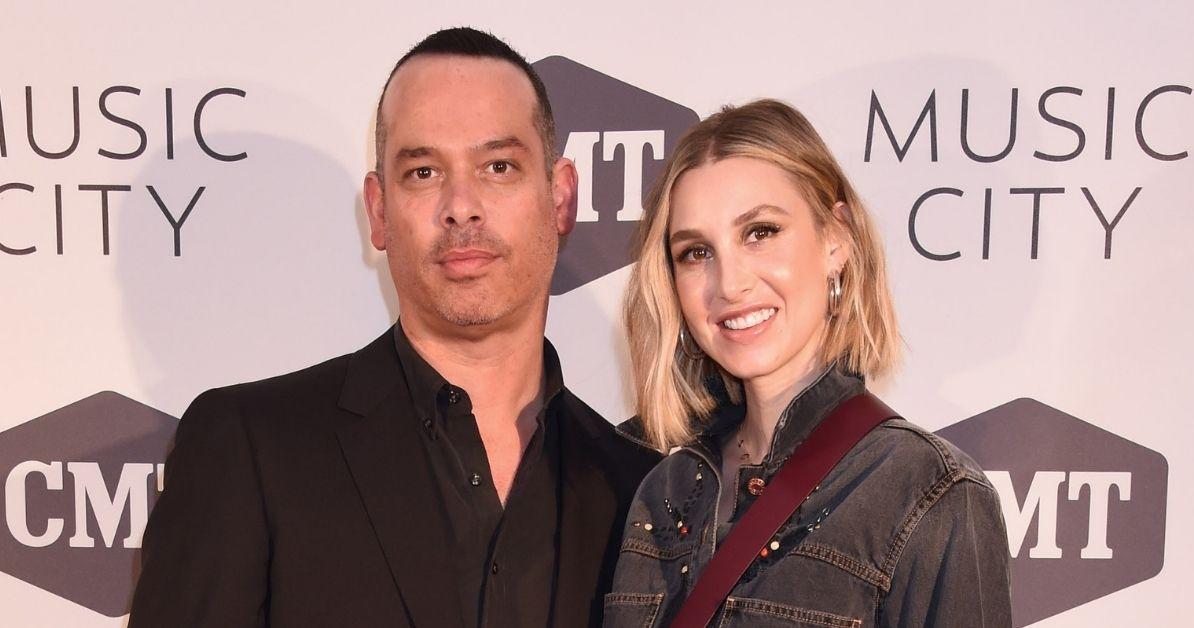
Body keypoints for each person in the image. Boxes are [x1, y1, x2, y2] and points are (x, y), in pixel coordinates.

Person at [130, 27, 659, 628]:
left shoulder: (642, 490)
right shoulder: (250, 448)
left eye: (499, 166)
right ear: (379, 212)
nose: (461, 205)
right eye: (424, 173)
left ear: (560, 197)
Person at [606, 99, 1011, 627]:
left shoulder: (931, 492)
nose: (729, 284)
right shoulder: (664, 490)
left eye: (761, 232)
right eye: (696, 252)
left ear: (836, 240)